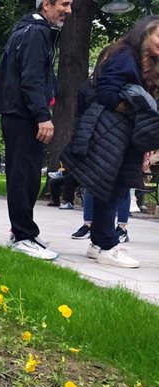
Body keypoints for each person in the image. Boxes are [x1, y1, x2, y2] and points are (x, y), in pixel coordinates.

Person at [62, 18, 159, 268]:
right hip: (113, 133)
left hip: (121, 134)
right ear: (144, 34)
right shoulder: (127, 56)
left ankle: (97, 243)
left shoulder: (140, 60)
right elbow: (106, 92)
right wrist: (133, 109)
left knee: (113, 188)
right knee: (112, 188)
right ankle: (107, 246)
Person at [0, 0, 72, 260]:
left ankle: (22, 232)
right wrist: (42, 116)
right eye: (65, 4)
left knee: (27, 175)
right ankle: (23, 236)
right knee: (24, 176)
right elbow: (31, 78)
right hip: (23, 116)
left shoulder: (31, 29)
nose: (69, 10)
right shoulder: (35, 32)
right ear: (46, 4)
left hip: (20, 114)